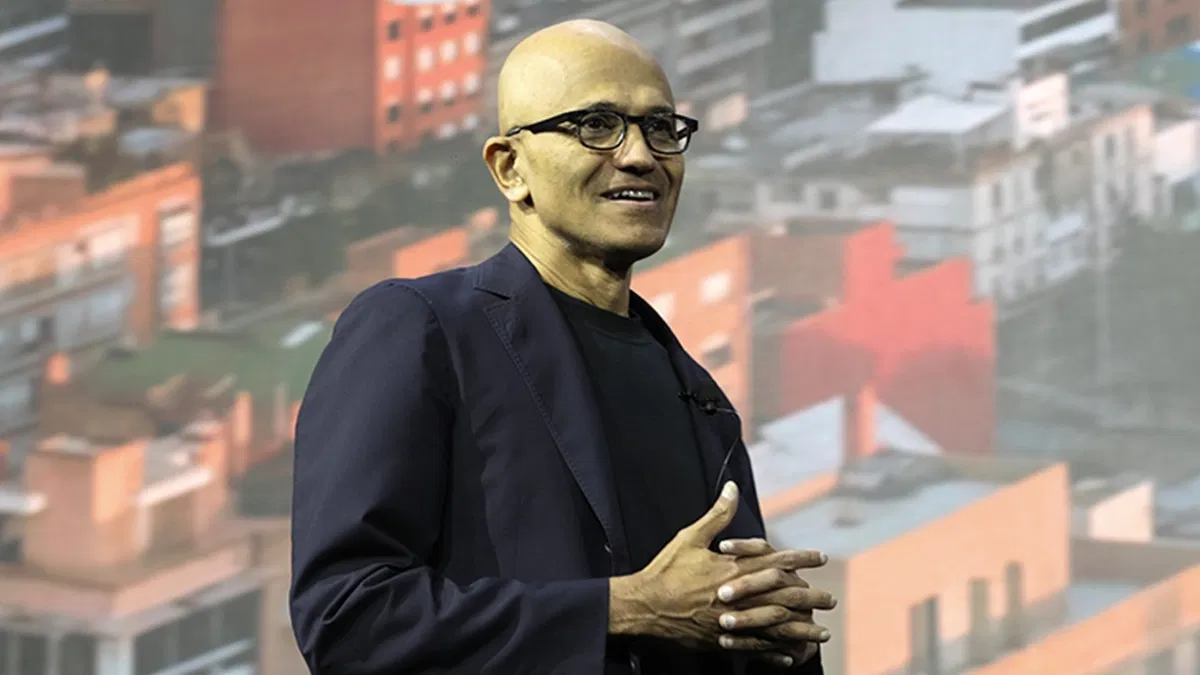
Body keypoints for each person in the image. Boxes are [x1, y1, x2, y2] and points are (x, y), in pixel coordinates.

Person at [289, 19, 836, 675]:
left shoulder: (697, 393)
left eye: (662, 128)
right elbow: (347, 618)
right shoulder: (423, 328)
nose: (640, 155)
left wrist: (778, 639)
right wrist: (625, 607)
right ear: (509, 167)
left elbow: (705, 616)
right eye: (597, 125)